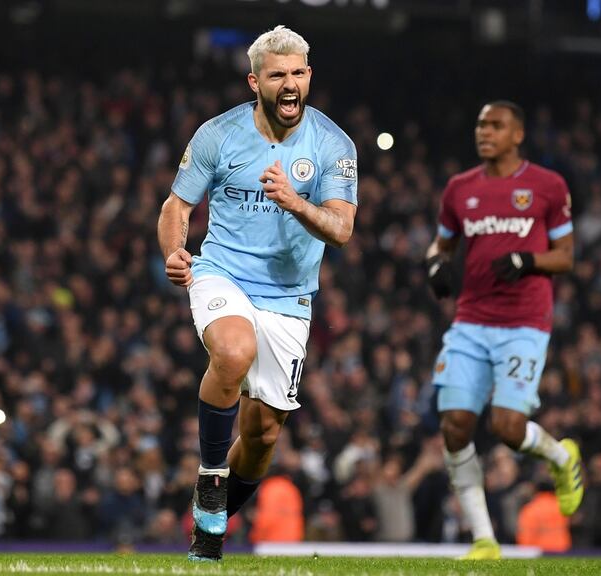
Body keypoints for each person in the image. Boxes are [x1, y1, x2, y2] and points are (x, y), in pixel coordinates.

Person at [157, 25, 358, 561]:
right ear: (255, 81)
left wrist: (296, 203)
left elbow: (340, 230)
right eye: (277, 75)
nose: (289, 83)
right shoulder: (217, 136)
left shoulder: (334, 145)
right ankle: (209, 479)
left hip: (289, 296)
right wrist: (176, 251)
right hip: (222, 271)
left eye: (298, 73)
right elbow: (176, 207)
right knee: (232, 350)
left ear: (309, 76)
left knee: (265, 434)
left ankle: (210, 529)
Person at [425, 101, 583, 560]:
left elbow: (567, 255)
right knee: (455, 427)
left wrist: (526, 259)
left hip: (524, 324)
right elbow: (442, 242)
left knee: (508, 428)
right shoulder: (459, 189)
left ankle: (561, 458)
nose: (485, 132)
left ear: (518, 134)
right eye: (480, 124)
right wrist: (436, 264)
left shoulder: (547, 186)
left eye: (496, 125)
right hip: (471, 322)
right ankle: (484, 540)